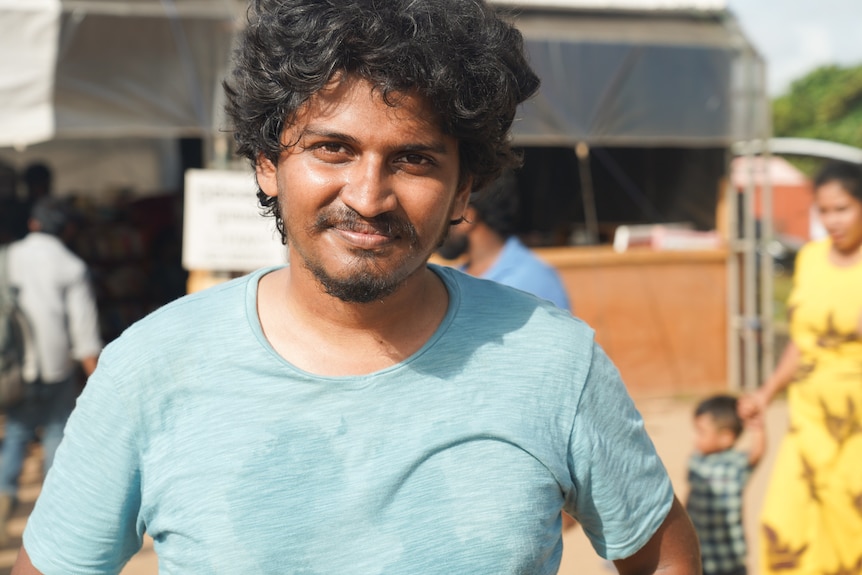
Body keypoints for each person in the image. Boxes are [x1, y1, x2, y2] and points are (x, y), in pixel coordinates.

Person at [13, 1, 700, 573]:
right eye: (332, 148)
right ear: (265, 163)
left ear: (465, 189)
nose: (368, 197)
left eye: (414, 158)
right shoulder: (151, 368)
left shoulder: (554, 361)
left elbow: (666, 556)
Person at [738, 159, 862, 575]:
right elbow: (801, 340)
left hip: (856, 421)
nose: (831, 220)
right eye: (823, 211)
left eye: (842, 209)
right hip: (807, 414)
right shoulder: (810, 258)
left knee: (851, 526)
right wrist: (766, 391)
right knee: (787, 522)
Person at [0, 197, 102, 545]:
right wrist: (98, 383)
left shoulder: (7, 257)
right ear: (67, 230)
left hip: (12, 369)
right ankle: (51, 522)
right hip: (56, 366)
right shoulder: (71, 265)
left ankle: (3, 499)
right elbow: (85, 336)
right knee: (57, 433)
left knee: (16, 433)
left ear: (33, 224)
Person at [437, 170, 572, 311]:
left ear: (467, 216)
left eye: (448, 213)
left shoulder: (531, 279)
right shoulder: (456, 278)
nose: (441, 226)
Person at [686, 395, 765, 575]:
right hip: (701, 551)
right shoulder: (696, 461)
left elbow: (757, 452)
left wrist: (757, 426)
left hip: (729, 555)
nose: (694, 438)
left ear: (726, 437)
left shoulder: (736, 464)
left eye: (701, 431)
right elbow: (690, 494)